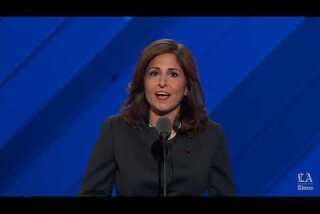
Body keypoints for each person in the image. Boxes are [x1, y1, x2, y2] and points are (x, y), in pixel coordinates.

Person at [80, 39, 236, 197]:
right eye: (154, 73)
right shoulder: (116, 130)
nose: (162, 83)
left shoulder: (211, 135)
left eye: (173, 74)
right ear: (143, 82)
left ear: (187, 87)